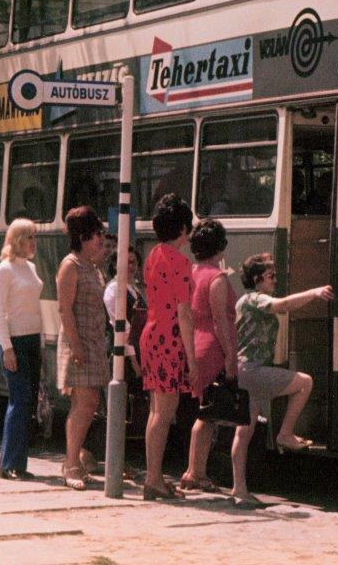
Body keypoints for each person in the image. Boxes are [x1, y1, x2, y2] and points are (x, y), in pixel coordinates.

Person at [229, 254, 333, 508]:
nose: (275, 280)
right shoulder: (255, 298)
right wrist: (315, 292)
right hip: (253, 370)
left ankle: (239, 489)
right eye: (271, 276)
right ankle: (285, 434)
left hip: (245, 371)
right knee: (305, 382)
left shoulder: (246, 301)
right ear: (257, 279)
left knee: (244, 432)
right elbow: (283, 304)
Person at [138, 194, 201, 501]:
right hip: (168, 339)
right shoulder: (180, 262)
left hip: (151, 334)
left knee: (156, 411)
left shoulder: (154, 255)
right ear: (183, 229)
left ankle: (154, 476)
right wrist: (192, 360)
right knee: (165, 412)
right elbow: (184, 313)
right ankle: (153, 479)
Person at [180, 219, 239, 493]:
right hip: (213, 347)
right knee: (207, 415)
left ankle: (195, 471)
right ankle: (195, 472)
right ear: (221, 247)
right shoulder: (217, 278)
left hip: (196, 344)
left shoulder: (192, 273)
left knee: (205, 412)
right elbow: (220, 322)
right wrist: (229, 357)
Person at [56, 205, 110, 490]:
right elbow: (65, 309)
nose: (100, 239)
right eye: (95, 234)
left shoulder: (91, 266)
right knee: (84, 403)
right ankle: (71, 463)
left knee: (89, 404)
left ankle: (74, 460)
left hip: (93, 343)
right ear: (82, 236)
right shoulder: (70, 266)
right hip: (80, 344)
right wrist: (76, 347)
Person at [0, 218, 43, 481]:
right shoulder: (4, 270)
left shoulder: (30, 268)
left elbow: (34, 308)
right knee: (18, 401)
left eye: (34, 236)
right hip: (16, 341)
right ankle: (7, 464)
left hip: (33, 340)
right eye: (29, 237)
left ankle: (19, 463)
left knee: (29, 403)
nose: (34, 242)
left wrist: (41, 342)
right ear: (17, 240)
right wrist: (7, 348)